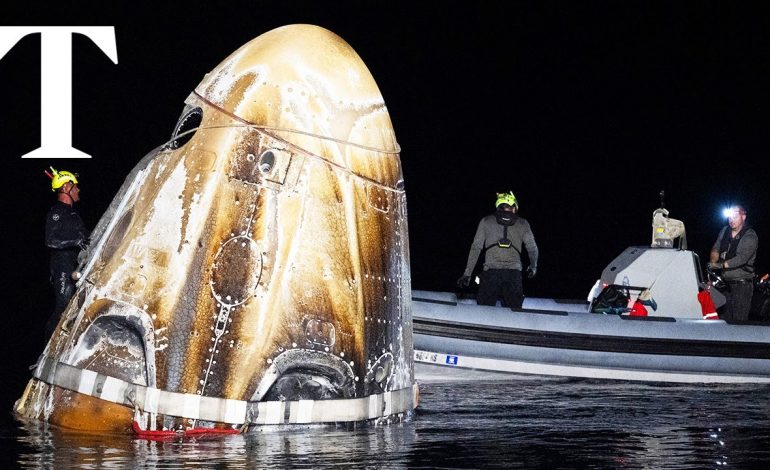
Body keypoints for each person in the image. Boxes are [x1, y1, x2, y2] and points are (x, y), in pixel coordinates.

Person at [457, 191, 538, 309]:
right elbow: (532, 249)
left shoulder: (486, 221)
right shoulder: (523, 223)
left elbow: (476, 248)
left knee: (484, 313)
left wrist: (467, 274)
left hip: (490, 274)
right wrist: (533, 267)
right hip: (513, 275)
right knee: (515, 313)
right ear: (514, 207)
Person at [44, 167, 89, 341]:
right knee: (63, 305)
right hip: (62, 267)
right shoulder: (57, 212)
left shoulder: (73, 214)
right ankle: (47, 347)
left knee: (76, 306)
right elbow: (51, 241)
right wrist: (75, 242)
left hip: (75, 265)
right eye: (75, 186)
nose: (78, 190)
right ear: (66, 188)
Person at [708, 204, 758, 321]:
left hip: (742, 286)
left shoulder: (750, 235)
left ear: (743, 217)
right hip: (725, 284)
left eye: (735, 216)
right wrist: (713, 262)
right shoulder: (725, 231)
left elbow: (742, 258)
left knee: (738, 322)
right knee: (724, 320)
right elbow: (716, 248)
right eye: (729, 216)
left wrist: (721, 265)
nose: (731, 220)